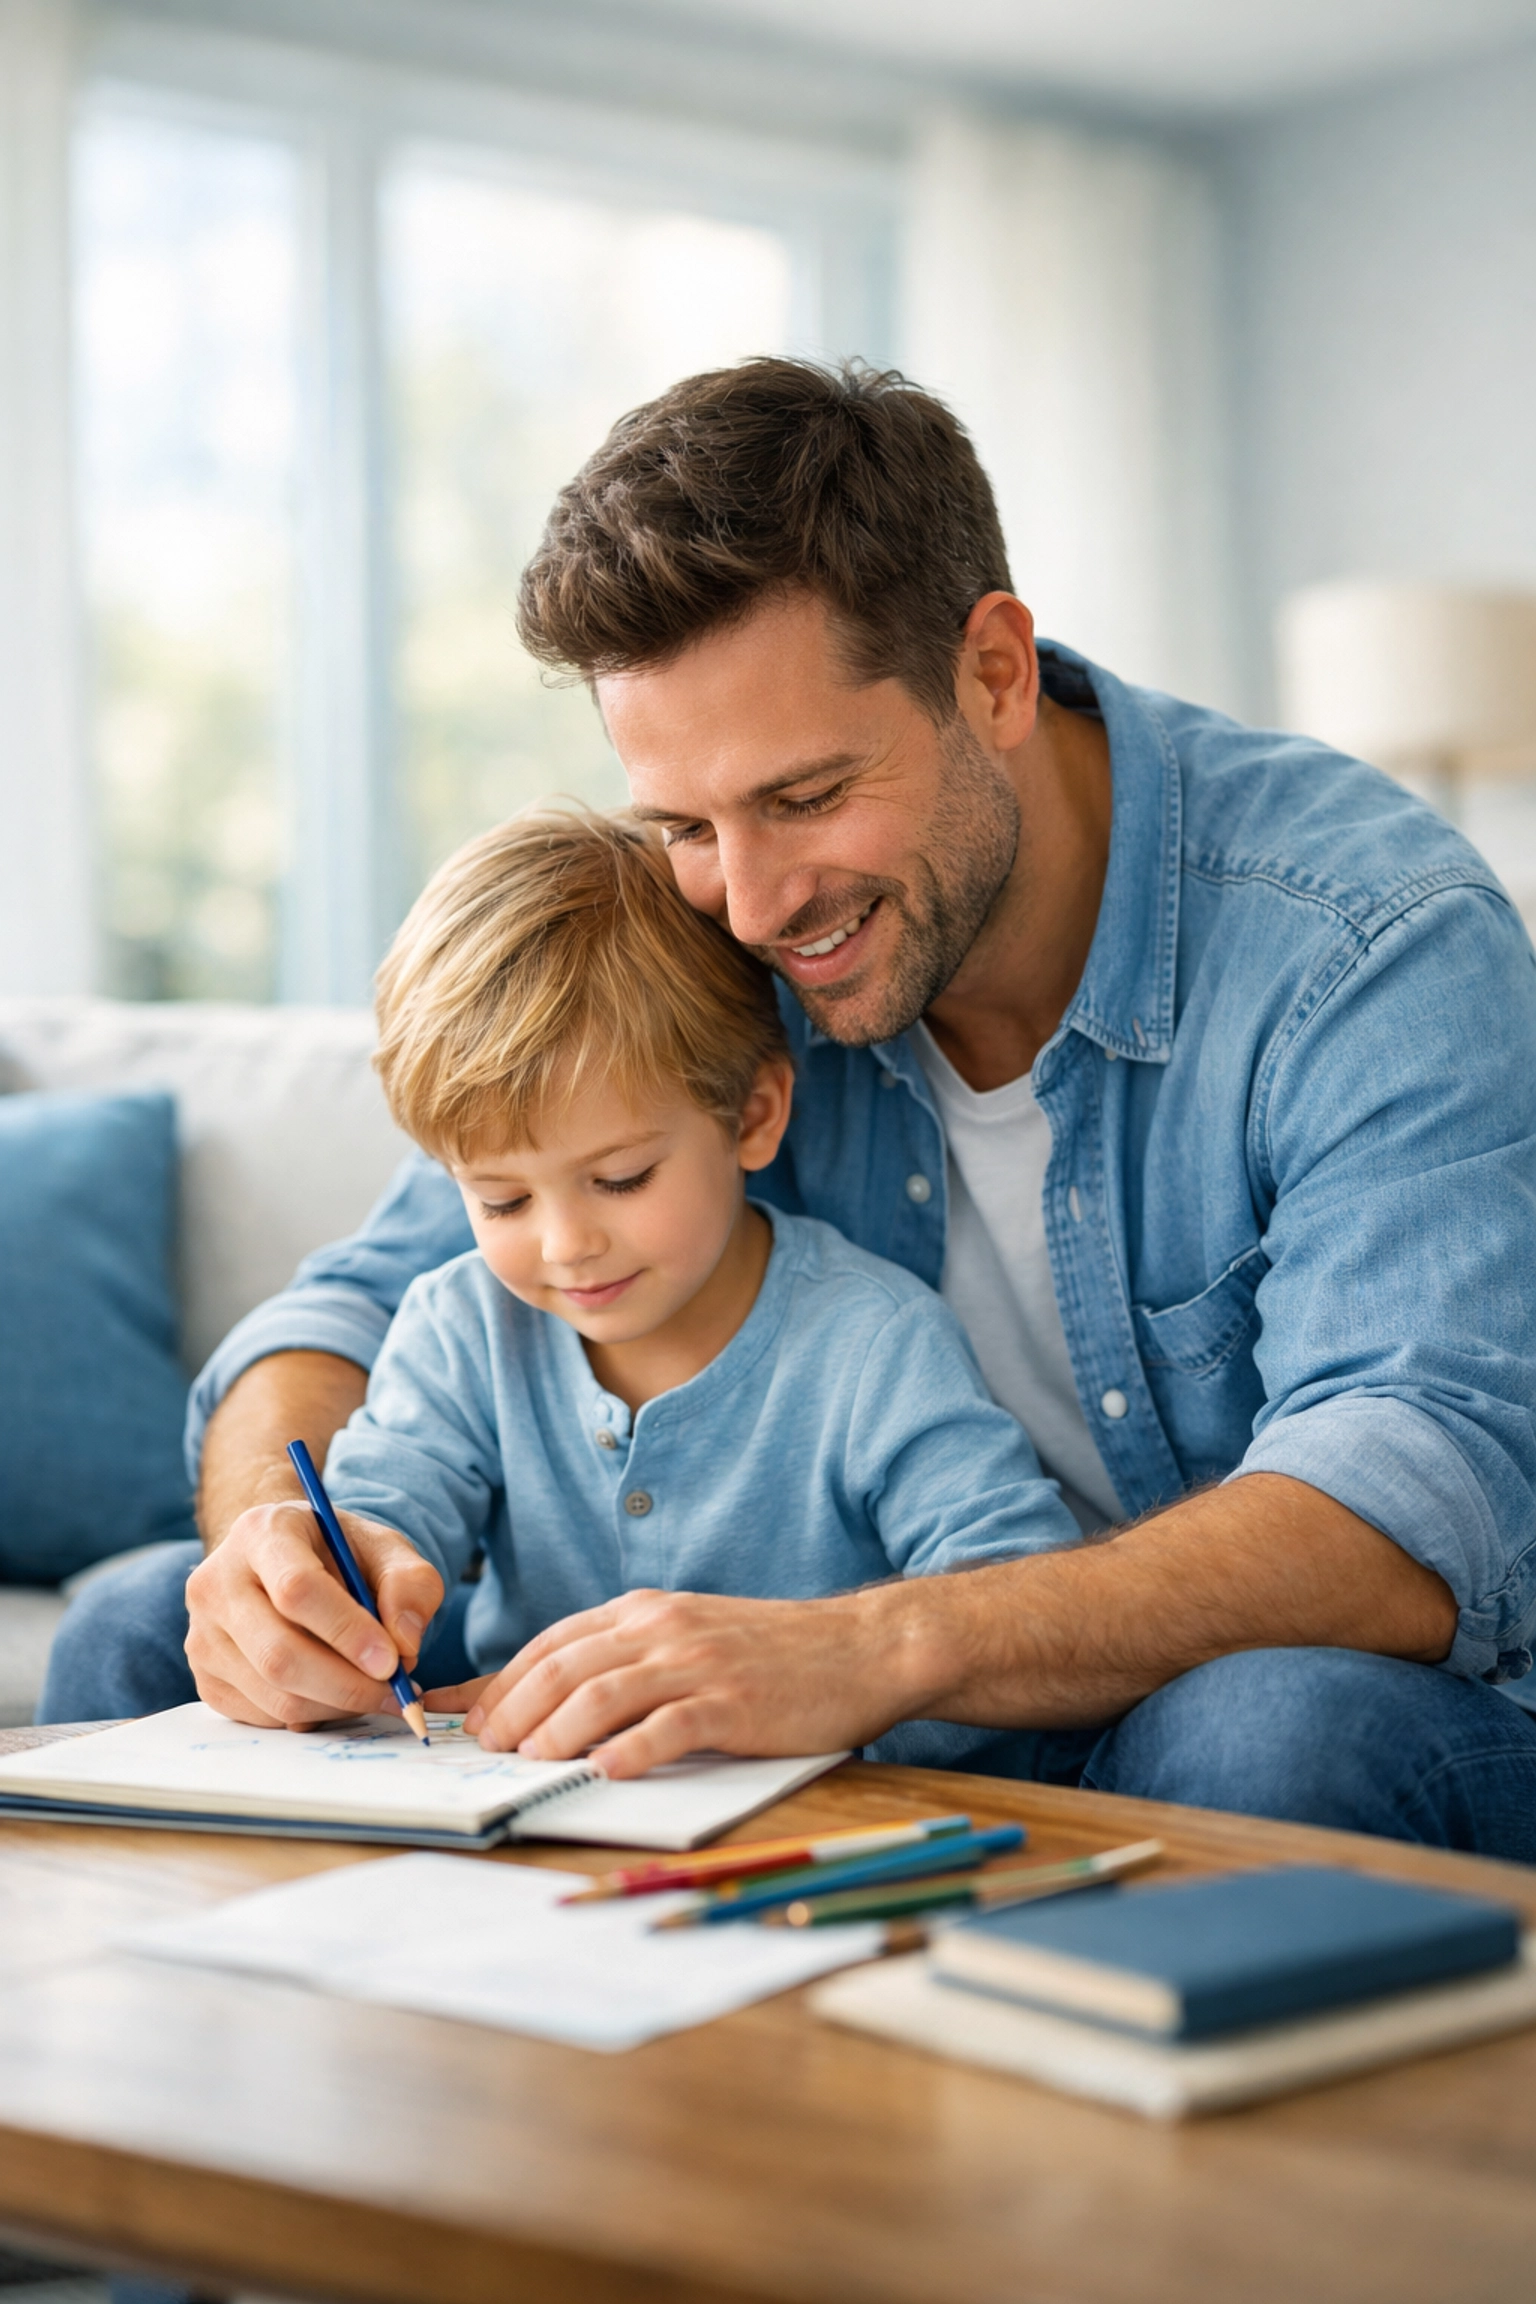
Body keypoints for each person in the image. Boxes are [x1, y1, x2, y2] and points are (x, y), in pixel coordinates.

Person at [44, 359, 1536, 1857]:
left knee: (1272, 1734)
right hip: (798, 1731)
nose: (750, 907)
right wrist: (279, 1553)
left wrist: (862, 1652)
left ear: (995, 673)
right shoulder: (698, 926)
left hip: (1187, 1708)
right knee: (135, 1627)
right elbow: (357, 1312)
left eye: (808, 796)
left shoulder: (1365, 938)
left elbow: (1420, 1500)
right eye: (686, 823)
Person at [307, 805, 1079, 1766]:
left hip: (827, 1817)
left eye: (621, 1179)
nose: (566, 1244)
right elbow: (382, 1515)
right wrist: (341, 1585)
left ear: (754, 1116)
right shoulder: (462, 1326)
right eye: (501, 1199)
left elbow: (1011, 1588)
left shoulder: (871, 1342)